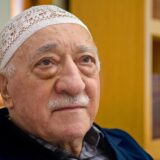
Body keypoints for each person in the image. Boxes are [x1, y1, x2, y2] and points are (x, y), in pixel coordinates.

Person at [0, 5, 153, 160]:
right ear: (5, 88)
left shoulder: (125, 142)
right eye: (46, 62)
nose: (75, 85)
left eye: (86, 60)